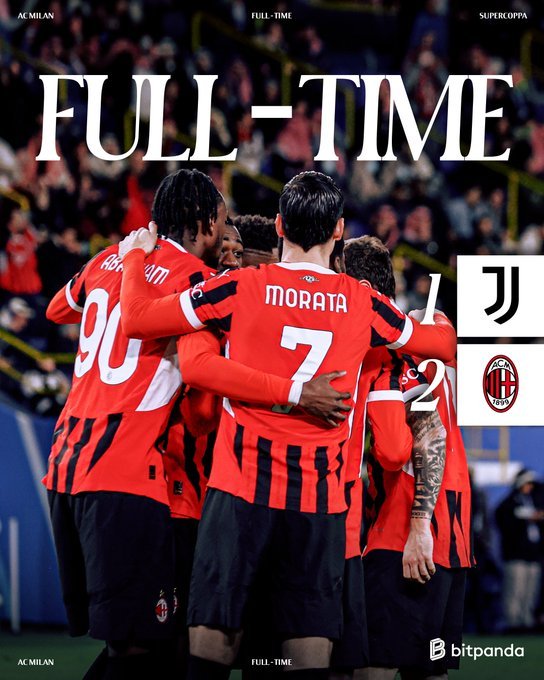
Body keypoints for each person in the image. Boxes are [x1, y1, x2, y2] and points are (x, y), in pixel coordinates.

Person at [118, 171, 457, 679]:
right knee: (307, 642)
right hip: (319, 501)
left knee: (214, 638)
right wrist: (441, 325)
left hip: (239, 489)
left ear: (279, 225)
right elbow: (440, 345)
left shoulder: (239, 286)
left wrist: (134, 258)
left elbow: (138, 319)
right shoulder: (363, 303)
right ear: (338, 230)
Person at [44, 169, 346, 680]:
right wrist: (297, 390)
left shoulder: (107, 259)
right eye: (222, 225)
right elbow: (207, 389)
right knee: (145, 650)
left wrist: (130, 260)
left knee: (141, 647)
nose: (226, 238)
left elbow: (57, 309)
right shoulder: (198, 283)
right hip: (127, 474)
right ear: (205, 223)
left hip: (66, 466)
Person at [343, 239, 473, 680]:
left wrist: (418, 528)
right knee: (427, 671)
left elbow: (408, 445)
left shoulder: (385, 353)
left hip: (405, 532)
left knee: (371, 669)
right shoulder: (430, 326)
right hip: (453, 539)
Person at [495, 468, 544, 631]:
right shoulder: (510, 503)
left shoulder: (533, 500)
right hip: (515, 555)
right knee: (515, 590)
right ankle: (512, 622)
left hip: (533, 554)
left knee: (531, 591)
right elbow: (503, 522)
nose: (530, 487)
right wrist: (524, 519)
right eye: (527, 483)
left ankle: (527, 621)